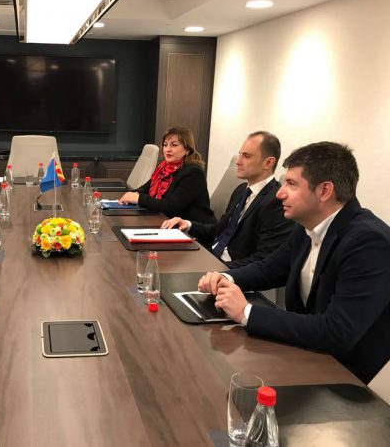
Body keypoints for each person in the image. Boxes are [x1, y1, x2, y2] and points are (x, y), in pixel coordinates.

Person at [198, 142, 390, 383]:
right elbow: (271, 268)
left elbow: (337, 332)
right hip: (305, 352)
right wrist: (225, 277)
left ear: (324, 191)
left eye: (291, 184)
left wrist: (246, 311)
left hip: (345, 377)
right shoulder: (306, 226)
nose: (280, 193)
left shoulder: (369, 242)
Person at [161, 131, 293, 268]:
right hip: (211, 257)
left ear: (268, 162)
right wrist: (188, 224)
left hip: (232, 270)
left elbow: (263, 259)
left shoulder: (276, 202)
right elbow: (219, 230)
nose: (238, 162)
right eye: (240, 154)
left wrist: (220, 271)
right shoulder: (241, 190)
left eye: (246, 156)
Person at [118, 126, 216, 222]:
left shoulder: (193, 173)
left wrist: (139, 199)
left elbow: (171, 206)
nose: (167, 149)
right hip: (166, 220)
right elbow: (146, 188)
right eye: (165, 145)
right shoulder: (164, 167)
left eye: (174, 145)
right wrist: (132, 194)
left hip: (191, 228)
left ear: (187, 150)